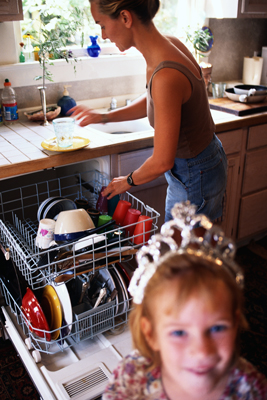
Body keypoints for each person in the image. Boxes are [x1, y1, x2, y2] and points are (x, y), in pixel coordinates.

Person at [70, 0, 227, 223]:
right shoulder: (168, 46)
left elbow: (162, 161)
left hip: (194, 176)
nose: (103, 35)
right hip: (205, 162)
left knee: (182, 255)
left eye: (102, 25)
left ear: (125, 18)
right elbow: (156, 100)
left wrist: (126, 181)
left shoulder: (165, 74)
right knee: (189, 251)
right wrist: (104, 116)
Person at [102, 202, 267, 400]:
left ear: (235, 322)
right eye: (179, 332)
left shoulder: (249, 387)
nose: (201, 351)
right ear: (151, 333)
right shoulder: (130, 381)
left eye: (217, 328)